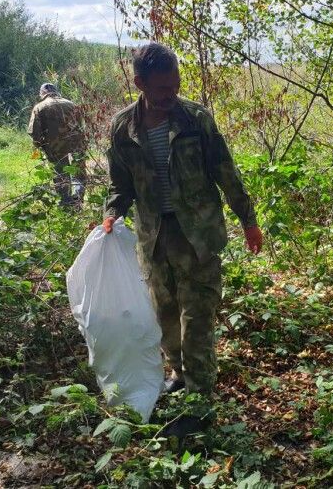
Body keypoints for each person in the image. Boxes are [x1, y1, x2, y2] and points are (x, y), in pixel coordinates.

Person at [101, 43, 263, 435]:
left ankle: (200, 401)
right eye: (161, 89)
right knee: (164, 313)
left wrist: (248, 220)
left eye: (175, 85)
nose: (170, 94)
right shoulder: (123, 128)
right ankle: (178, 374)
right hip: (154, 237)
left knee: (198, 318)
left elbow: (226, 171)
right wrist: (110, 214)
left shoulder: (194, 119)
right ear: (139, 83)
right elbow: (120, 184)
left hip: (198, 236)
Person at [27, 83, 87, 207]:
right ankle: (77, 201)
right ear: (56, 91)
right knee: (78, 173)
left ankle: (65, 204)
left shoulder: (39, 107)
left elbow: (34, 132)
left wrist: (39, 145)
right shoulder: (71, 104)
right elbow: (81, 126)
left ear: (42, 93)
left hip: (56, 147)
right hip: (77, 144)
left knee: (60, 175)